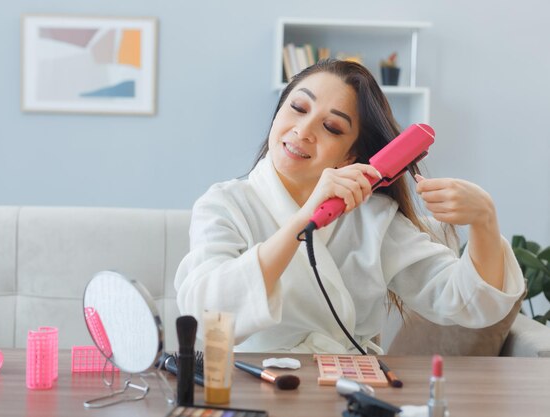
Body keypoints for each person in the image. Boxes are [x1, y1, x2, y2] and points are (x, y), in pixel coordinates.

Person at [174, 59, 525, 354]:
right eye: (298, 107)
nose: (304, 130)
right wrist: (305, 217)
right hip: (255, 383)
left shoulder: (372, 218)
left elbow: (469, 304)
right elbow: (207, 314)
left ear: (351, 155)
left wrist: (484, 219)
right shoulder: (224, 204)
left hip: (348, 385)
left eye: (331, 126)